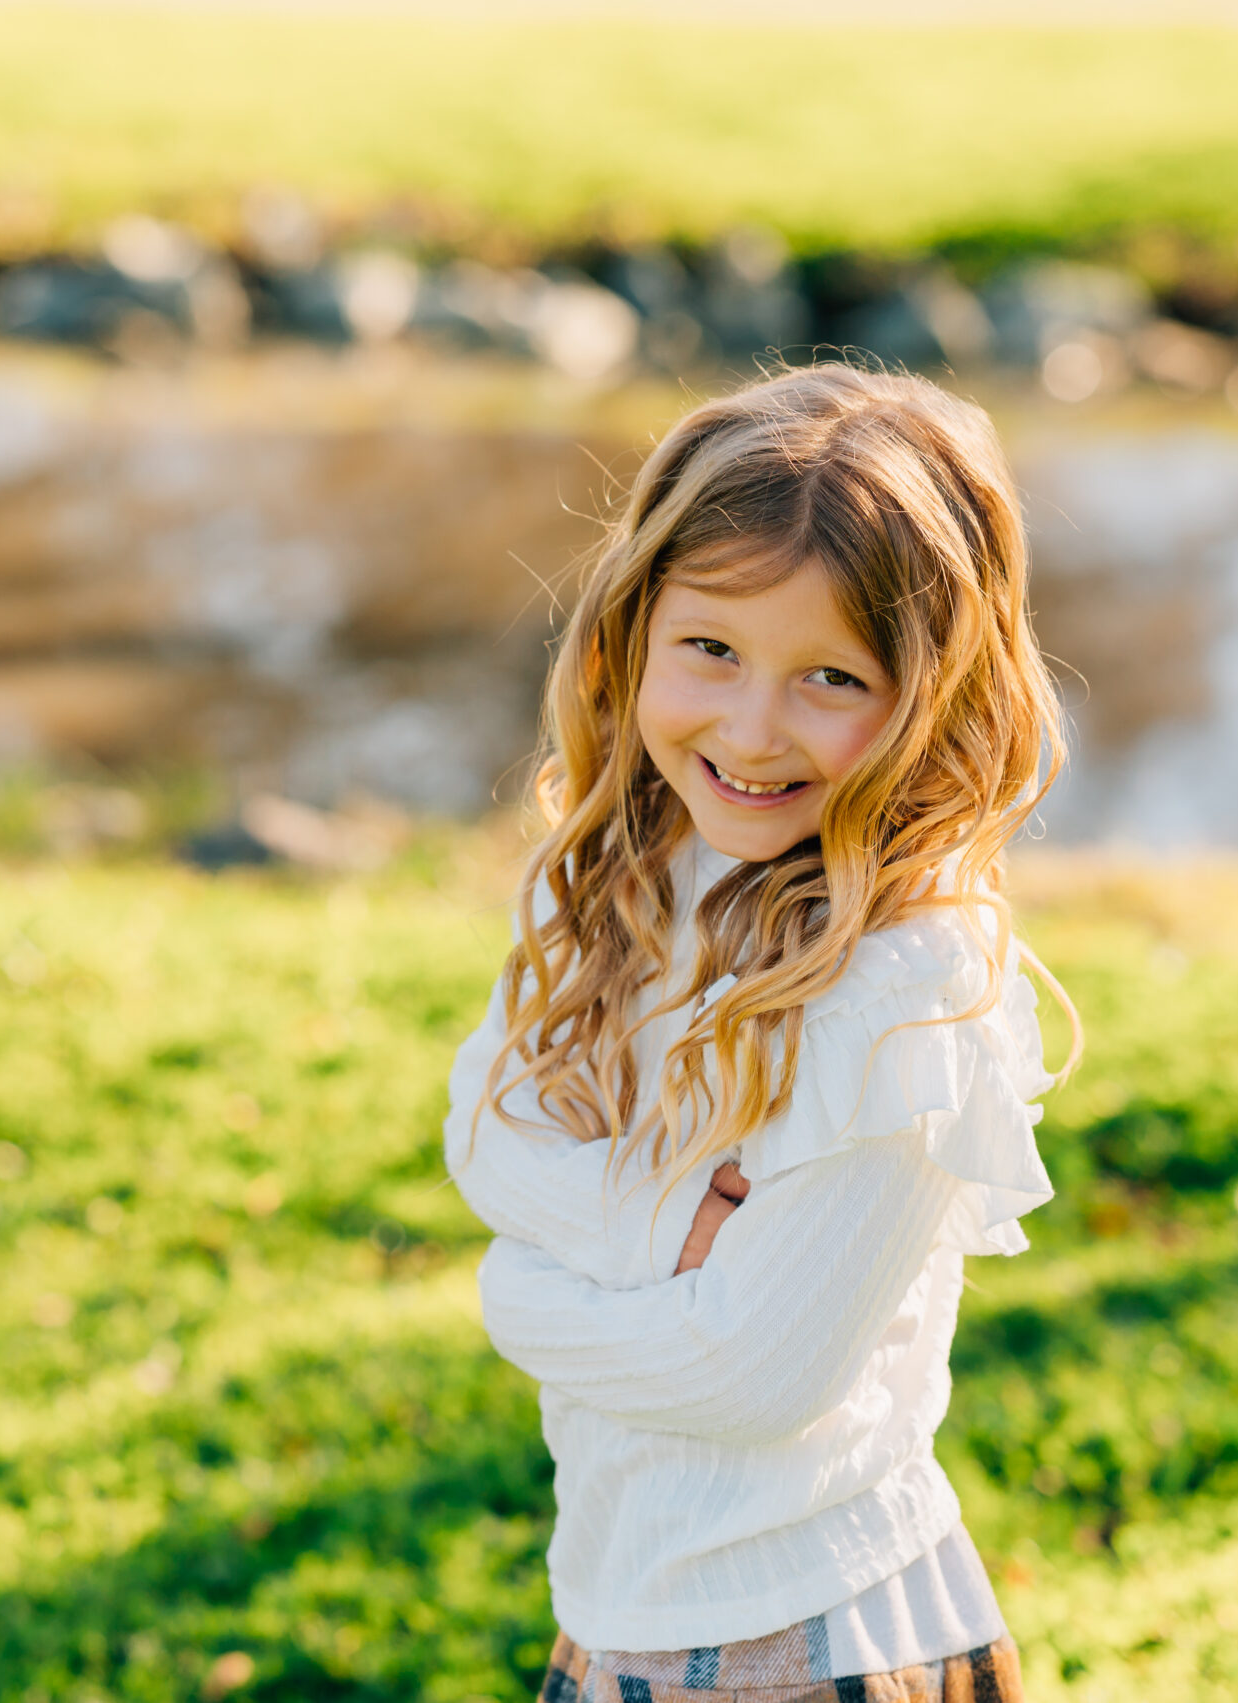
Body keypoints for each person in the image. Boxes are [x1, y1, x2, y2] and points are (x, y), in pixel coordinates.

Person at [444, 363, 1078, 1702]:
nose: (751, 729)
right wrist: (657, 1234)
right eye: (712, 651)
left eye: (832, 677)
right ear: (633, 630)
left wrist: (515, 1292)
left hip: (806, 1639)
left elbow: (749, 1373)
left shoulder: (902, 986)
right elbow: (485, 1134)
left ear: (935, 696)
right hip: (616, 1602)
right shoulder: (621, 873)